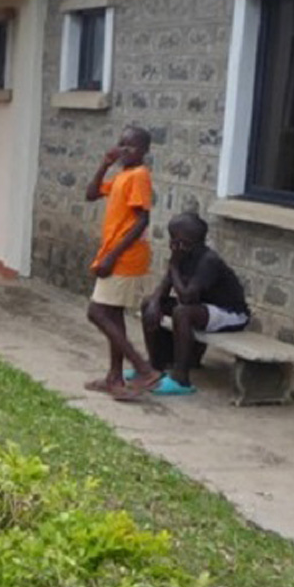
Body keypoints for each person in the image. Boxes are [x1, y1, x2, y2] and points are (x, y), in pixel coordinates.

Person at [138, 213, 250, 395]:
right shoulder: (183, 256)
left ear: (185, 241)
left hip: (231, 314)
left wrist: (173, 265)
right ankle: (155, 366)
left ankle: (181, 379)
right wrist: (154, 303)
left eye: (174, 238)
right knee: (149, 303)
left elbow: (187, 298)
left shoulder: (208, 261)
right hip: (203, 308)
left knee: (183, 312)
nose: (171, 243)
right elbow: (164, 288)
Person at [84, 126, 157, 399]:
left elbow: (142, 220)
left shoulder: (139, 176)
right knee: (112, 315)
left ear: (145, 151)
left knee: (97, 313)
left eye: (132, 147)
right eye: (121, 145)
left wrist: (112, 256)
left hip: (125, 257)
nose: (125, 150)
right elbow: (90, 194)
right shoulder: (122, 175)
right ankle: (115, 378)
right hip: (113, 253)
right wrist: (104, 164)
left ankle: (143, 368)